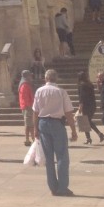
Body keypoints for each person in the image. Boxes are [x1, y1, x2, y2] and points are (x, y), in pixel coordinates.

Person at [32, 68, 78, 196]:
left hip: (43, 123)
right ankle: (62, 187)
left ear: (45, 78)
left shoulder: (39, 91)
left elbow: (35, 112)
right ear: (55, 78)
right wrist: (73, 130)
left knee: (49, 157)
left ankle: (53, 186)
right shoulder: (61, 92)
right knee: (62, 155)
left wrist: (35, 128)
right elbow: (68, 112)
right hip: (57, 123)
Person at [77, 70, 104, 144]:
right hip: (92, 105)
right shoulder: (89, 84)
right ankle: (92, 136)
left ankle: (92, 137)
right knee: (87, 121)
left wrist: (80, 105)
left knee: (85, 121)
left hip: (86, 105)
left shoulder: (81, 85)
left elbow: (82, 96)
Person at [18, 69, 35, 146]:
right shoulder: (24, 85)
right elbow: (25, 97)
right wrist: (30, 106)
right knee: (30, 124)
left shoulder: (25, 84)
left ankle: (28, 139)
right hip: (27, 106)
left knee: (28, 124)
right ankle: (32, 139)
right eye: (29, 75)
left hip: (26, 106)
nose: (31, 76)